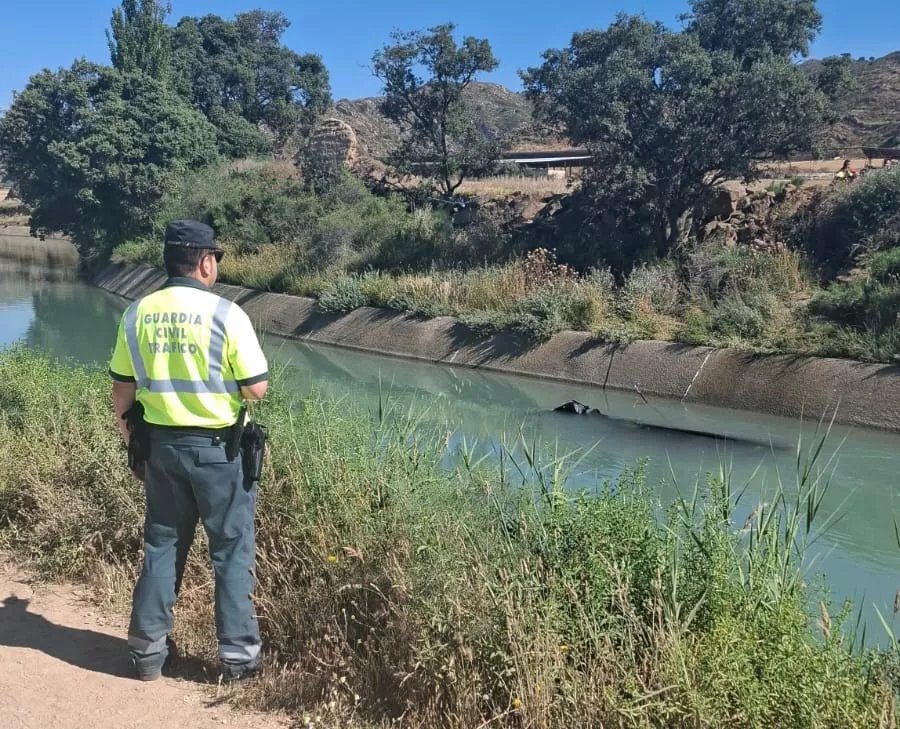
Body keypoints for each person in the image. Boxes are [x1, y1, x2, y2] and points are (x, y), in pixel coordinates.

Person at [108, 220, 269, 682]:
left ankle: (145, 653)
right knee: (231, 551)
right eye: (214, 257)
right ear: (205, 262)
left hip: (161, 450)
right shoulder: (226, 315)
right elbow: (256, 388)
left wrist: (133, 445)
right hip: (219, 453)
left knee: (162, 545)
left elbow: (122, 391)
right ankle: (238, 660)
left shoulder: (137, 313)